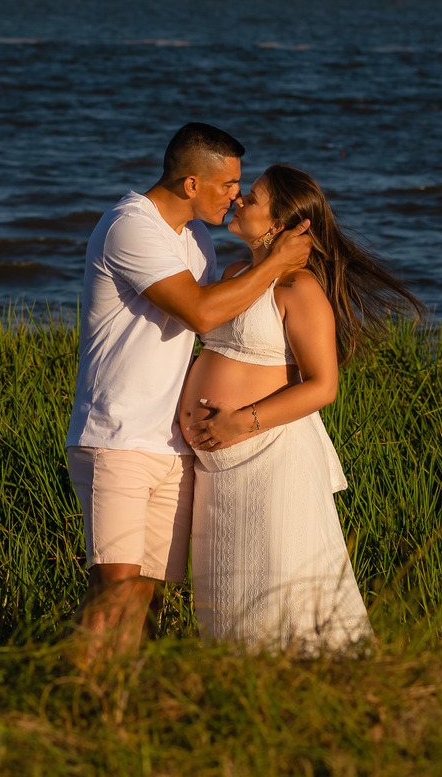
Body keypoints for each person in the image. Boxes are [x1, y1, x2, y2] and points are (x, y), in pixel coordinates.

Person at [64, 124, 312, 668]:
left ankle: (123, 705)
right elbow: (199, 312)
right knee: (112, 591)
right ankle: (65, 703)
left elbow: (219, 328)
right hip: (118, 437)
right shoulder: (131, 228)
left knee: (143, 597)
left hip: (170, 446)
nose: (235, 196)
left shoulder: (193, 237)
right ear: (192, 182)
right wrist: (274, 264)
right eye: (227, 186)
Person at [180, 164, 423, 655]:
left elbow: (323, 386)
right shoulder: (235, 274)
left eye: (254, 197)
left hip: (270, 461)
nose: (240, 200)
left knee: (279, 585)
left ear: (280, 223)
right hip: (218, 469)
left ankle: (311, 690)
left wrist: (238, 421)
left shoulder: (301, 289)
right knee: (226, 593)